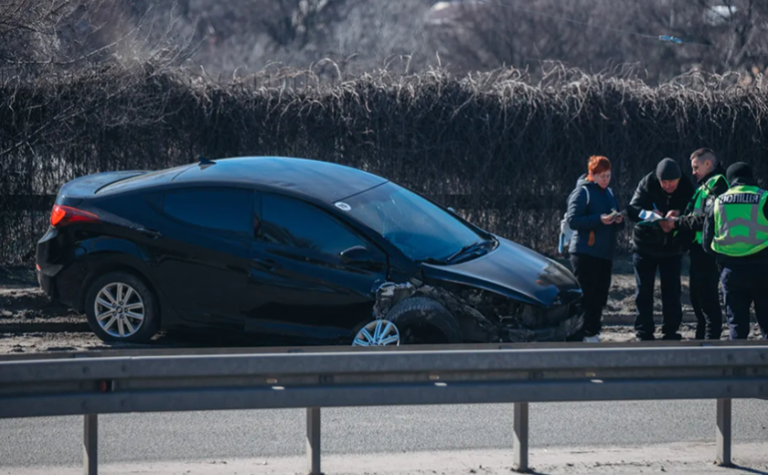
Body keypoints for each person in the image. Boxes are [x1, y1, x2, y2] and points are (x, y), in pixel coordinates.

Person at [626, 158, 694, 341]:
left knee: (672, 291)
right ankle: (643, 331)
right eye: (664, 182)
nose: (668, 186)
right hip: (645, 246)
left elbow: (694, 212)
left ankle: (671, 330)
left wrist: (678, 215)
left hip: (672, 248)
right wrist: (650, 216)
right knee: (644, 290)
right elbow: (633, 209)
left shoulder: (687, 187)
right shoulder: (647, 183)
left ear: (679, 179)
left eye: (671, 182)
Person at [667, 148, 728, 339]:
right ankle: (702, 336)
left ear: (708, 164)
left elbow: (706, 219)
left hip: (708, 251)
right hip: (698, 249)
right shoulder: (704, 186)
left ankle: (711, 339)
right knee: (696, 297)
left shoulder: (718, 184)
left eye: (696, 167)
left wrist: (677, 223)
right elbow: (695, 214)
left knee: (707, 297)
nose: (693, 172)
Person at [702, 162, 768, 340]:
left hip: (731, 270)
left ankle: (738, 365)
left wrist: (722, 258)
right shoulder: (764, 197)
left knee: (737, 326)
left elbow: (706, 242)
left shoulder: (718, 201)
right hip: (763, 269)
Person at [566, 155, 624, 343]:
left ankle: (593, 332)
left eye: (608, 175)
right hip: (585, 252)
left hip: (604, 253)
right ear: (592, 175)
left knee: (600, 296)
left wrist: (617, 221)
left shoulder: (609, 193)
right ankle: (580, 333)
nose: (605, 180)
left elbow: (615, 222)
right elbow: (573, 220)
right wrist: (599, 219)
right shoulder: (583, 192)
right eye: (601, 176)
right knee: (586, 296)